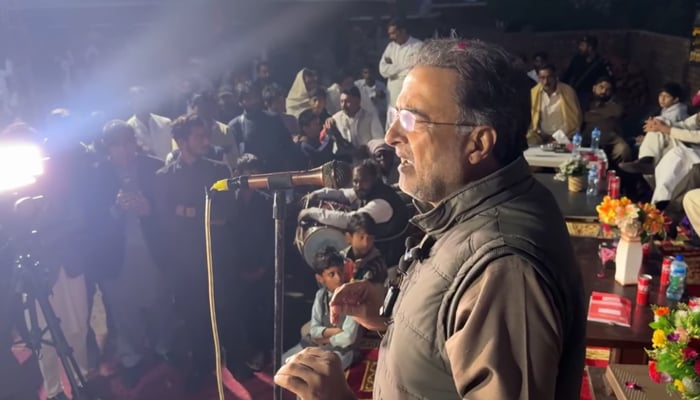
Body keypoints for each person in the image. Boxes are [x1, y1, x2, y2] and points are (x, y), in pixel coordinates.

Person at [276, 38, 585, 400]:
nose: (391, 137)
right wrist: (394, 316)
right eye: (395, 116)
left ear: (479, 143)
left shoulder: (505, 270)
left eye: (412, 120)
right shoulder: (472, 208)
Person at [83, 121, 171, 387]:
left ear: (135, 142)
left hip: (153, 249)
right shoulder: (96, 175)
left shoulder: (154, 166)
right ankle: (131, 357)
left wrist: (149, 209)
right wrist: (115, 210)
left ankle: (164, 349)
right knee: (124, 310)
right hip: (116, 255)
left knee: (160, 303)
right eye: (117, 145)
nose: (124, 150)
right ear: (108, 148)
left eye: (128, 142)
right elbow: (91, 219)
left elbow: (171, 208)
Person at [298, 159, 409, 263]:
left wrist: (311, 212)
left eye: (364, 181)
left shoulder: (381, 204)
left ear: (375, 179)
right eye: (355, 181)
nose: (358, 186)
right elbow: (343, 194)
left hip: (391, 259)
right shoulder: (367, 190)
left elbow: (350, 220)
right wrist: (317, 194)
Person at [281, 247, 360, 370]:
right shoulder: (320, 295)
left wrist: (326, 339)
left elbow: (348, 337)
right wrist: (335, 331)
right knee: (284, 361)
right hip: (317, 344)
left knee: (323, 371)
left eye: (340, 272)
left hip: (341, 350)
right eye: (331, 274)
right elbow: (314, 330)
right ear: (320, 278)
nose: (338, 278)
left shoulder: (353, 297)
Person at [620, 82, 689, 174]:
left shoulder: (678, 113)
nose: (662, 99)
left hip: (674, 143)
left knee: (633, 146)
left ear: (676, 99)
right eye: (661, 95)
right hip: (661, 139)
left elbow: (667, 130)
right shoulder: (666, 109)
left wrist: (646, 138)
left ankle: (645, 162)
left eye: (667, 96)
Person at [379, 18, 423, 123]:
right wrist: (403, 67)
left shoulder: (418, 46)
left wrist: (393, 70)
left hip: (409, 94)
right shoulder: (390, 47)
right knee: (392, 126)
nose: (391, 37)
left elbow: (413, 72)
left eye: (393, 33)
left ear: (402, 31)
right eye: (389, 34)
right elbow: (382, 70)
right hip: (392, 95)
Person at [526, 64, 582, 145]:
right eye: (542, 78)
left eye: (549, 77)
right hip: (541, 137)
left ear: (555, 76)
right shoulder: (534, 93)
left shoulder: (568, 92)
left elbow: (577, 117)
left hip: (563, 137)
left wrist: (565, 137)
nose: (546, 82)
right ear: (538, 77)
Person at [126, 86, 173, 160]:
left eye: (144, 101)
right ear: (130, 104)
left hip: (170, 168)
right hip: (146, 170)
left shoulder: (166, 123)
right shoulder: (128, 129)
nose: (141, 105)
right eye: (137, 102)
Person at [342, 212, 387, 285]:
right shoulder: (340, 259)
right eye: (361, 237)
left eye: (370, 238)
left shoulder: (377, 264)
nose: (365, 243)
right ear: (348, 238)